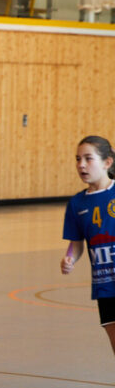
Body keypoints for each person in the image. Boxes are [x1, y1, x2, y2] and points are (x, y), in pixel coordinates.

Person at [60, 135, 115, 358]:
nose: (81, 164)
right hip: (105, 284)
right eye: (77, 159)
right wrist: (70, 258)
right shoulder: (77, 203)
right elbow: (76, 243)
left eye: (88, 158)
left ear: (107, 162)